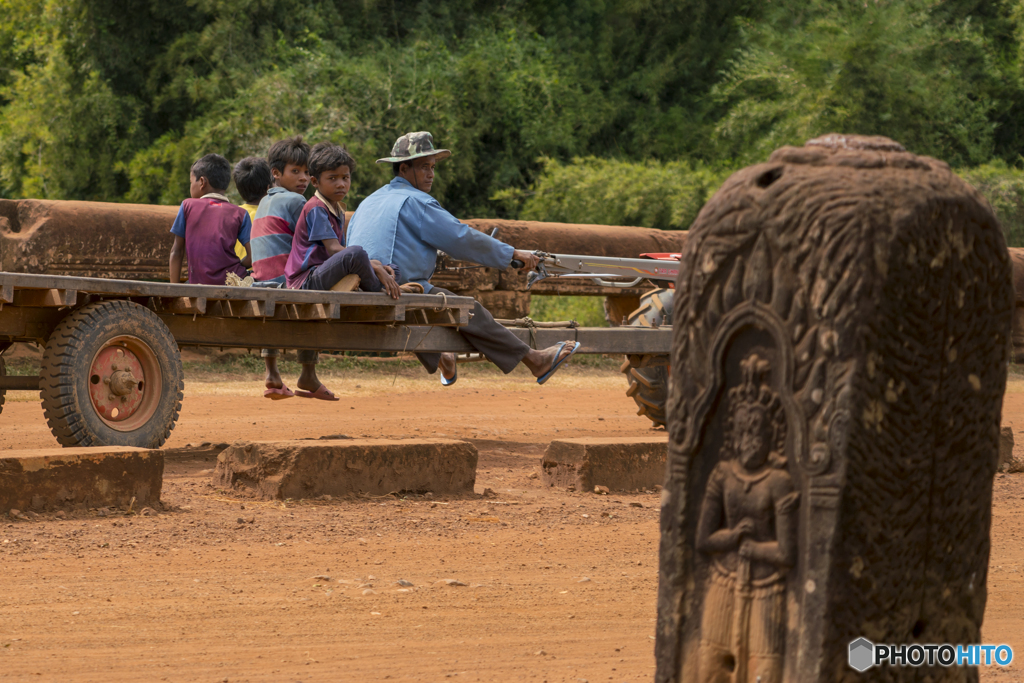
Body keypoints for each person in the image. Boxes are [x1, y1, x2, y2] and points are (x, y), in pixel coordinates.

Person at [347, 131, 580, 386]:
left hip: (357, 290)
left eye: (433, 167)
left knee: (431, 301)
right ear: (404, 168)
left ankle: (444, 357)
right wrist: (512, 253)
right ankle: (535, 360)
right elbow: (461, 238)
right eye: (424, 167)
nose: (431, 174)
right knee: (467, 309)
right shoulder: (416, 201)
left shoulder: (368, 202)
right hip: (394, 290)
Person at [249, 136, 325, 400]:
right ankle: (308, 372)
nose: (303, 178)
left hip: (261, 281)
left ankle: (272, 372)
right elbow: (313, 243)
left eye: (306, 172)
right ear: (276, 173)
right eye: (296, 172)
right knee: (317, 298)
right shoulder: (297, 202)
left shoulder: (263, 202)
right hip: (285, 281)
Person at [286, 142, 401, 300]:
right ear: (315, 182)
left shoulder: (337, 208)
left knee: (391, 268)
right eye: (332, 178)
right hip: (306, 280)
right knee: (357, 254)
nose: (341, 184)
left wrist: (375, 265)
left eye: (345, 178)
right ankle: (378, 288)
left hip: (325, 272)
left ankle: (379, 284)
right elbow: (334, 249)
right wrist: (371, 265)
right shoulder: (316, 207)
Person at [168, 153, 252, 285]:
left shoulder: (187, 206)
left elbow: (176, 251)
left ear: (202, 182)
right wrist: (232, 272)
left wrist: (174, 289)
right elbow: (252, 256)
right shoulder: (240, 213)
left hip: (199, 283)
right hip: (232, 283)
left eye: (191, 182)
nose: (190, 187)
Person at [232, 156, 273, 264]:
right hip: (259, 277)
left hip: (233, 276)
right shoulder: (271, 215)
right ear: (269, 187)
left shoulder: (233, 214)